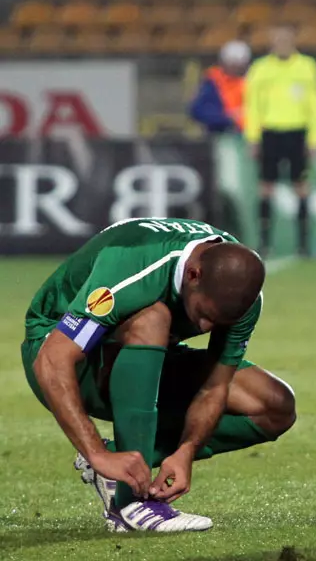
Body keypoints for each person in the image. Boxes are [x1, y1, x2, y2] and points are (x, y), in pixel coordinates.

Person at [21, 217, 296, 533]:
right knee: (153, 317)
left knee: (273, 404)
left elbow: (215, 388)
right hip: (62, 357)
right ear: (192, 275)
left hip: (146, 358)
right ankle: (130, 502)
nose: (206, 328)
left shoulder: (238, 295)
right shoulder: (135, 263)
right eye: (204, 315)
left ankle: (120, 462)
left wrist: (187, 450)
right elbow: (52, 360)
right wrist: (92, 450)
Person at [244, 26, 316, 258]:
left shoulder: (306, 66)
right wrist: (252, 137)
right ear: (272, 43)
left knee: (301, 187)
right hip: (270, 133)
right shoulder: (261, 69)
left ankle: (303, 245)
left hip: (297, 133)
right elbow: (253, 105)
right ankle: (264, 242)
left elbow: (315, 105)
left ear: (292, 43)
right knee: (265, 187)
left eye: (285, 41)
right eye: (277, 41)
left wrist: (314, 138)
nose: (281, 45)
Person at [189, 40, 251, 134]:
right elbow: (198, 110)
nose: (235, 69)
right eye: (232, 64)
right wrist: (227, 117)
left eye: (239, 65)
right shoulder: (213, 82)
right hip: (222, 133)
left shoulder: (254, 80)